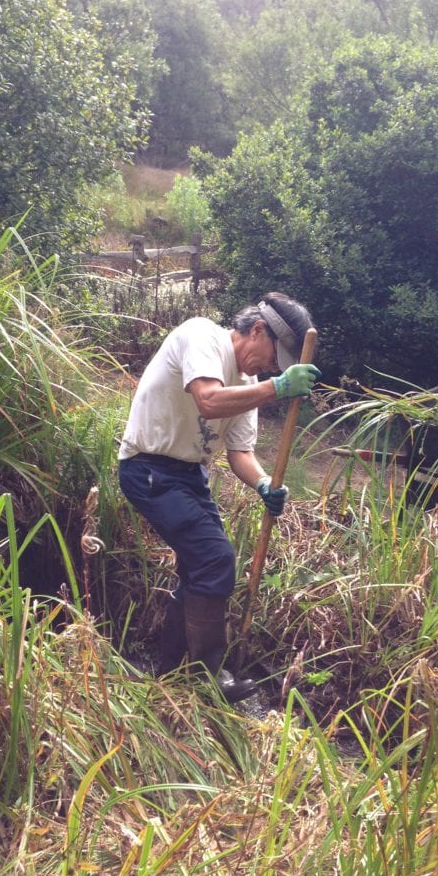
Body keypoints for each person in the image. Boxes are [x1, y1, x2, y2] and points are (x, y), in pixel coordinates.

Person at [118, 291, 320, 703]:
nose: (269, 369)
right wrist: (277, 388)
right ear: (258, 330)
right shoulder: (201, 335)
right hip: (148, 468)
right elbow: (209, 401)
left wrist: (264, 483)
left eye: (278, 369)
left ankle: (171, 672)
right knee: (215, 559)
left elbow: (239, 453)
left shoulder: (248, 386)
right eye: (273, 359)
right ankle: (210, 675)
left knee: (200, 569)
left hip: (191, 476)